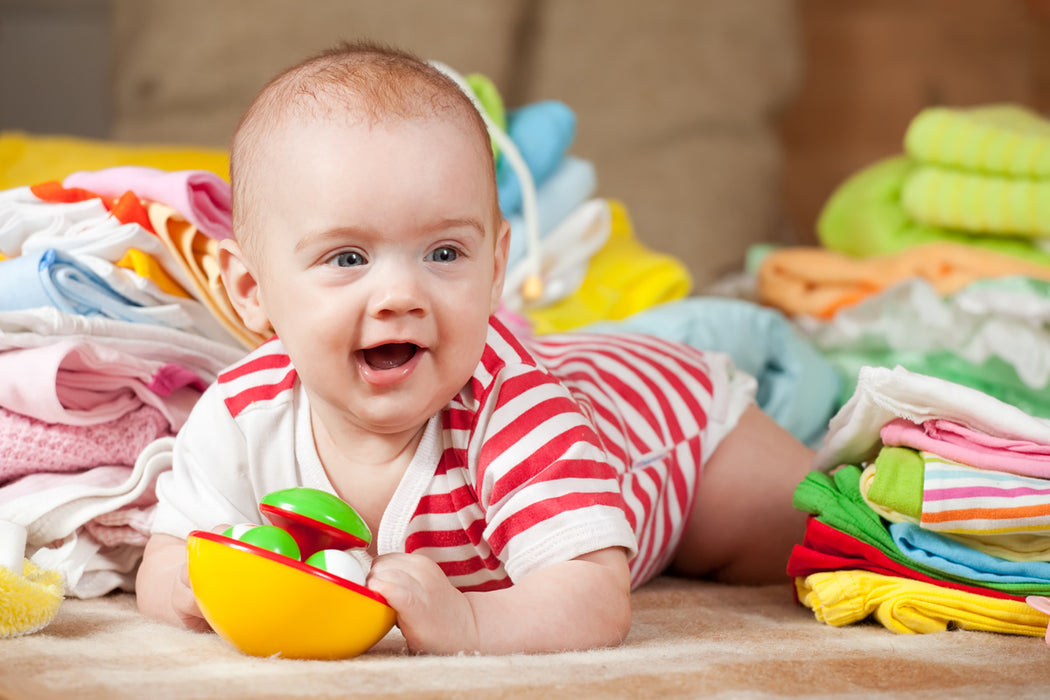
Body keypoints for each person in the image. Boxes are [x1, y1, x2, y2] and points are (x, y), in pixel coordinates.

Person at [135, 40, 816, 655]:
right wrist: (190, 591)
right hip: (588, 374)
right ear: (252, 289)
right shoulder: (241, 414)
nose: (400, 292)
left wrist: (469, 623)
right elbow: (166, 554)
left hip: (672, 427)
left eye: (443, 252)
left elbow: (593, 596)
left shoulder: (514, 417)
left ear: (495, 270)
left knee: (817, 534)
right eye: (347, 257)